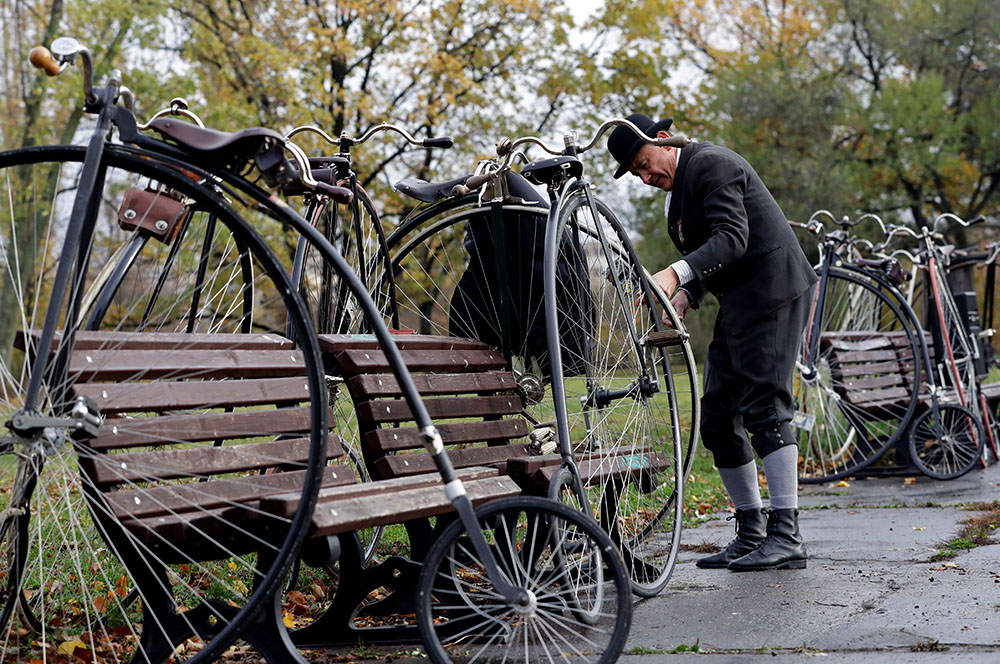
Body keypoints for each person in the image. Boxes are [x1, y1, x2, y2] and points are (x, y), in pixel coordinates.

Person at [607, 113, 817, 571]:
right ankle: (752, 530)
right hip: (740, 301)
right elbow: (712, 256)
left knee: (765, 406)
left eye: (644, 163)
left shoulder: (712, 165)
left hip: (774, 291)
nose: (646, 177)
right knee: (719, 415)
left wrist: (673, 273)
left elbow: (732, 238)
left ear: (663, 140)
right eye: (637, 173)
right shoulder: (677, 192)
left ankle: (787, 534)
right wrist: (686, 293)